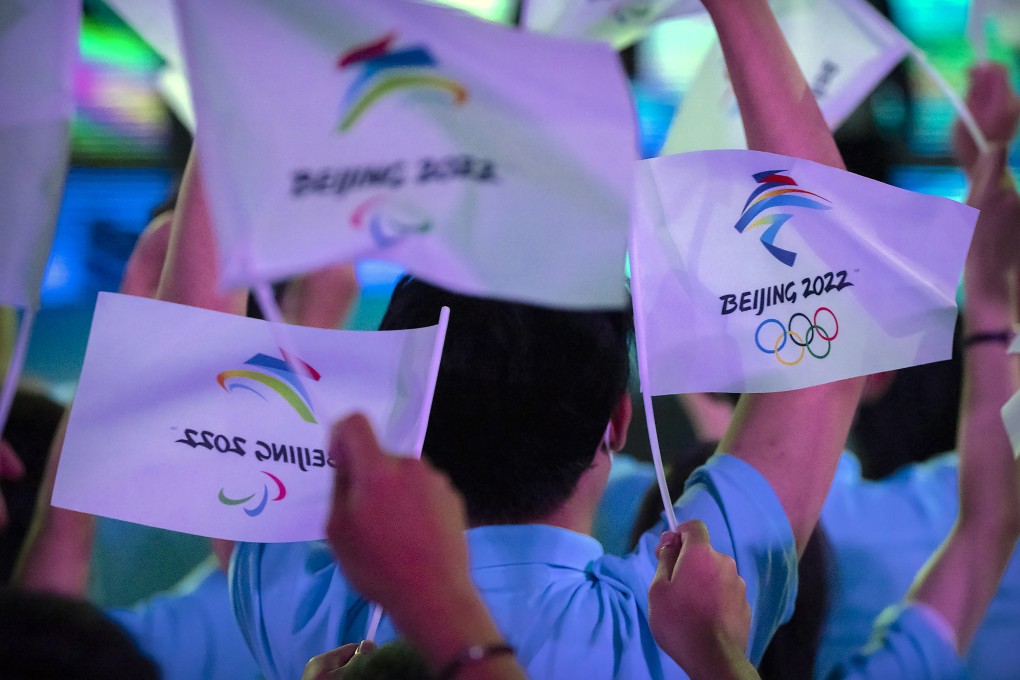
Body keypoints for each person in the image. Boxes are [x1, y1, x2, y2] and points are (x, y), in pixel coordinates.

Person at [230, 1, 869, 678]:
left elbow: (192, 343)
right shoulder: (681, 633)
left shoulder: (308, 617)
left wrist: (246, 54)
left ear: (402, 410)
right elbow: (831, 325)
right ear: (617, 421)